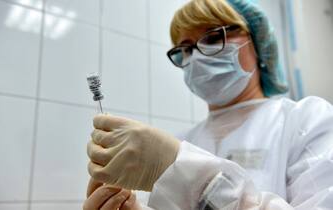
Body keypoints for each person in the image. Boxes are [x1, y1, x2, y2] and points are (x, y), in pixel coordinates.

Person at [83, 0, 333, 209]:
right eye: (186, 49)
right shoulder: (182, 142)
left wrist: (192, 177)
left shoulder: (307, 122)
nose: (198, 57)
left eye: (213, 37)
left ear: (257, 43)